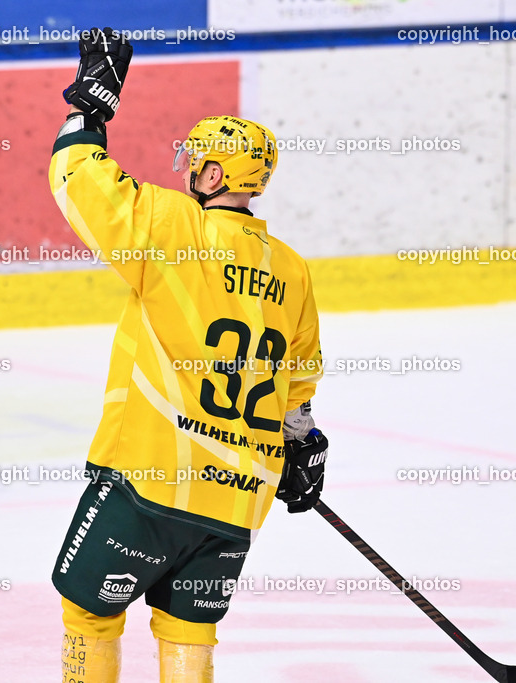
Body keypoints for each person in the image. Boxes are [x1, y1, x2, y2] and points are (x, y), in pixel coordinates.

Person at [49, 28, 328, 683]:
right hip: (236, 498)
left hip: (147, 483)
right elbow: (298, 384)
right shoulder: (290, 269)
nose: (185, 170)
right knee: (189, 630)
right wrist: (303, 447)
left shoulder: (173, 226)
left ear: (209, 173)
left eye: (193, 162)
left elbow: (77, 181)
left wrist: (91, 108)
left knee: (90, 615)